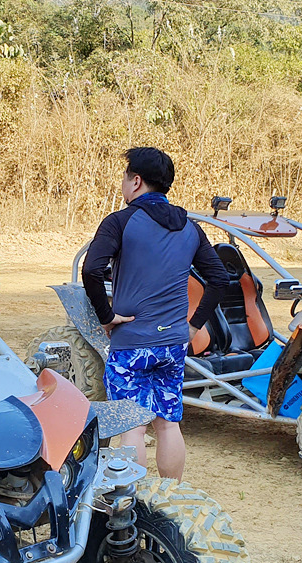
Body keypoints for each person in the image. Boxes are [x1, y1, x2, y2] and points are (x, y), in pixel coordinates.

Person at [81, 147, 228, 480]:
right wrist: (194, 325)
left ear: (136, 181)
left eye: (125, 177)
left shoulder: (120, 221)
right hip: (173, 343)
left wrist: (106, 316)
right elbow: (219, 278)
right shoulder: (190, 227)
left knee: (132, 426)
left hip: (132, 341)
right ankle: (171, 497)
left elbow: (91, 269)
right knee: (168, 423)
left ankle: (131, 500)